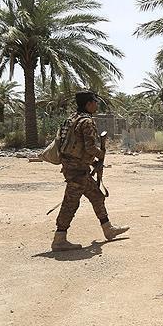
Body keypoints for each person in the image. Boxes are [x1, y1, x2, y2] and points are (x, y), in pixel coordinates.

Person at [52, 91, 129, 251]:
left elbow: (75, 146)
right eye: (95, 102)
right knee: (70, 203)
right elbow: (90, 147)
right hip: (77, 171)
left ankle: (108, 229)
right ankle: (59, 239)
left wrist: (92, 162)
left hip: (74, 166)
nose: (97, 105)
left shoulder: (71, 119)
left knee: (97, 196)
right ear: (88, 104)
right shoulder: (87, 121)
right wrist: (101, 155)